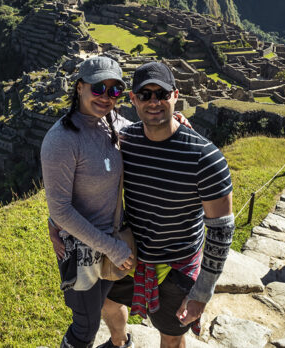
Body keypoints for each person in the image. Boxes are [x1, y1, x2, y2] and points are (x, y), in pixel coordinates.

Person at [98, 61, 234, 348]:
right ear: (132, 100)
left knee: (171, 337)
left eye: (161, 93)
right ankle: (120, 342)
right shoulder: (127, 140)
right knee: (107, 303)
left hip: (177, 266)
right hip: (131, 255)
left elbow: (221, 232)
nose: (154, 102)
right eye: (145, 95)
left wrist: (201, 292)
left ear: (175, 95)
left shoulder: (206, 158)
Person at [41, 56, 135, 348]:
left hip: (113, 241)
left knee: (109, 300)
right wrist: (114, 248)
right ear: (80, 87)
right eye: (98, 88)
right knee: (85, 327)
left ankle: (120, 343)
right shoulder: (62, 139)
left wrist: (176, 123)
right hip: (81, 250)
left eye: (114, 91)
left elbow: (150, 134)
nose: (106, 97)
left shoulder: (116, 124)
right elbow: (60, 209)